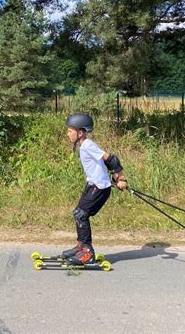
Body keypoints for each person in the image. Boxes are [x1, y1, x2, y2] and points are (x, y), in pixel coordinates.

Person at [62, 113, 127, 264]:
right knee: (78, 214)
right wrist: (114, 176)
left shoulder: (88, 145)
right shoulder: (84, 145)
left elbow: (111, 159)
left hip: (99, 188)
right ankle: (81, 246)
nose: (67, 133)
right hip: (92, 185)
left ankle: (87, 253)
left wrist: (120, 177)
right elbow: (104, 163)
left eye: (70, 130)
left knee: (81, 215)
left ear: (80, 132)